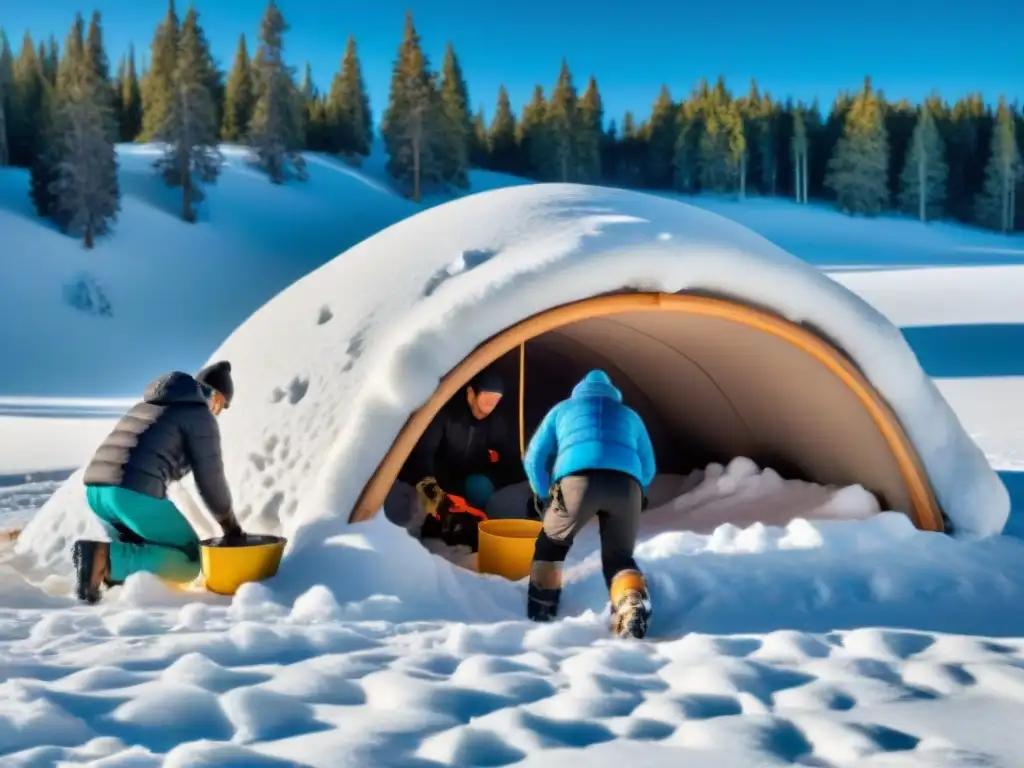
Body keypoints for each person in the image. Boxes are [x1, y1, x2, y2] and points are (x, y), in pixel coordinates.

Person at [72, 361, 244, 604]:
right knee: (190, 558)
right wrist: (230, 526)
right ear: (214, 397)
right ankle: (101, 557)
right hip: (129, 494)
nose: (217, 412)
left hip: (97, 492)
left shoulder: (150, 405)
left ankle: (111, 577)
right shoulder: (198, 415)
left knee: (143, 548)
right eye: (221, 405)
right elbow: (210, 479)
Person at [522, 369, 656, 639]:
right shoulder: (630, 416)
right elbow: (649, 465)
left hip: (576, 481)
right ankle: (631, 603)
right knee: (619, 558)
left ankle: (541, 614)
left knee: (552, 544)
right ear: (612, 393)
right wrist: (637, 492)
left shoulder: (562, 410)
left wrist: (543, 494)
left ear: (579, 390)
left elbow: (534, 457)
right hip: (626, 484)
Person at [399, 368, 521, 532]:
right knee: (432, 514)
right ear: (471, 394)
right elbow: (423, 455)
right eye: (486, 399)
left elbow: (510, 455)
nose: (489, 407)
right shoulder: (445, 415)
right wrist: (433, 491)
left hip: (468, 483)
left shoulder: (494, 421)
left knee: (481, 488)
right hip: (440, 481)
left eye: (495, 401)